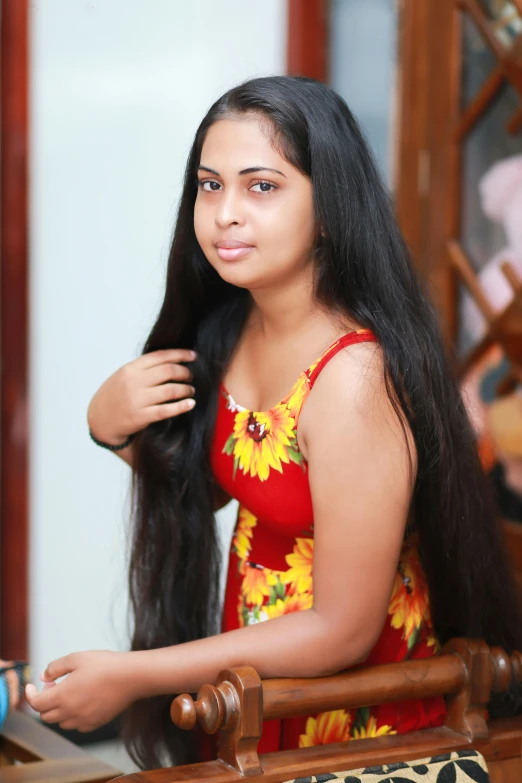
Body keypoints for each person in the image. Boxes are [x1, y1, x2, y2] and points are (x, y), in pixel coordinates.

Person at [25, 75, 522, 769]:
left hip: (355, 729)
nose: (225, 212)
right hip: (260, 693)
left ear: (329, 207)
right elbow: (236, 490)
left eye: (262, 186)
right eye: (209, 184)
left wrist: (136, 673)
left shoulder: (354, 377)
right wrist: (110, 429)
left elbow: (344, 630)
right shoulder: (235, 326)